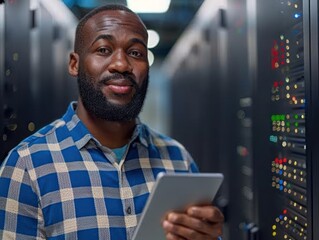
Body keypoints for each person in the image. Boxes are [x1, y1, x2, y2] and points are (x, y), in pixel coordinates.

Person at [0, 4, 224, 240]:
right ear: (75, 64)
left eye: (136, 53)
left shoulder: (178, 161)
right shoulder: (27, 167)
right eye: (104, 49)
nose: (122, 64)